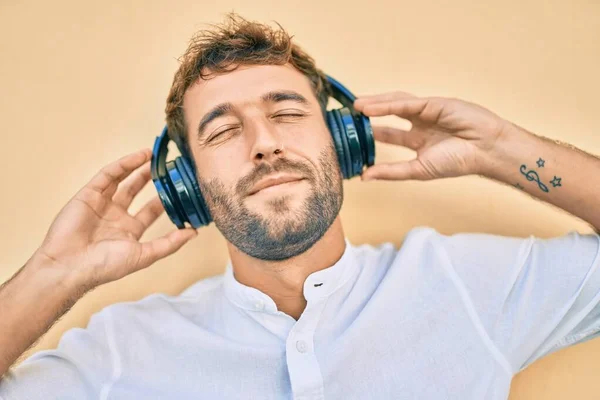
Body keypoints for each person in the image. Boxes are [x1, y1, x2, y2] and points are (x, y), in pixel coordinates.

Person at [1, 12, 599, 400]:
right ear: (188, 185)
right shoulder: (119, 352)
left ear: (343, 144)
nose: (264, 144)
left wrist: (504, 151)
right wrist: (53, 277)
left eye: (286, 112)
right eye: (222, 132)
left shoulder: (469, 287)